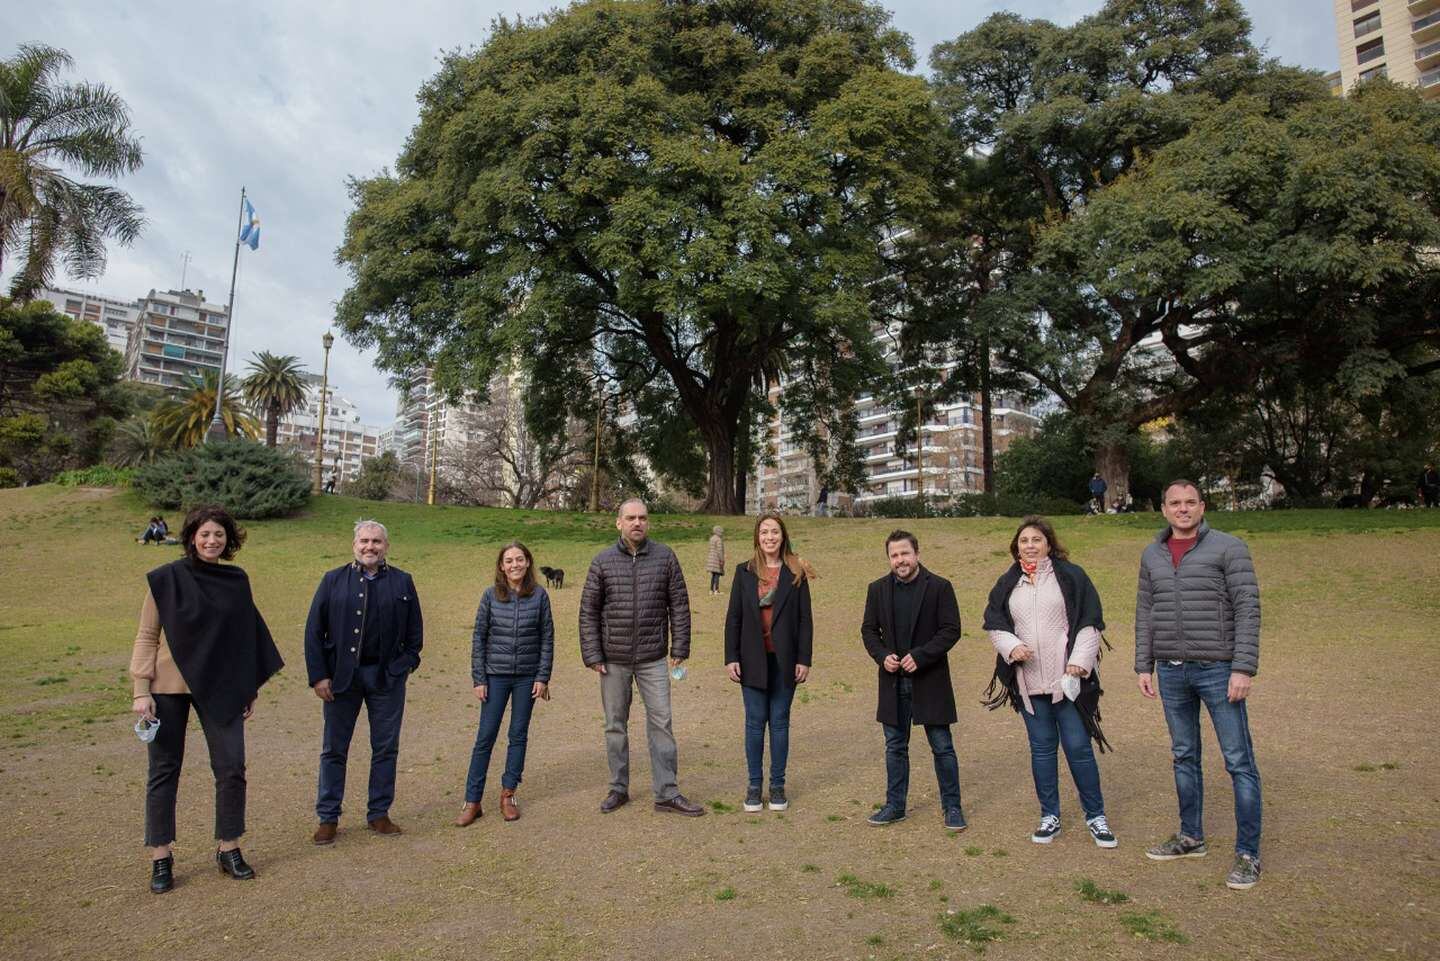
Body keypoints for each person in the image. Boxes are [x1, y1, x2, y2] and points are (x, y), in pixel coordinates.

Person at [129, 505, 284, 894]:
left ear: (228, 540)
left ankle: (228, 846)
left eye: (219, 534)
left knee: (231, 766)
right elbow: (147, 636)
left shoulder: (236, 580)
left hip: (222, 686)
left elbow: (243, 639)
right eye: (205, 534)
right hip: (168, 687)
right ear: (191, 537)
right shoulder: (166, 580)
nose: (212, 540)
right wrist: (140, 690)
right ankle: (161, 855)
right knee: (164, 770)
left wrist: (248, 686)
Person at [1136, 479, 1263, 891]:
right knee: (1183, 755)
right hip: (1172, 671)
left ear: (1203, 507)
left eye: (1191, 502)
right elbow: (1145, 612)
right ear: (1164, 509)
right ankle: (1191, 836)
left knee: (1238, 761)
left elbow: (1248, 609)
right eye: (1175, 503)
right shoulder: (1152, 554)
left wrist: (1242, 668)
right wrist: (1144, 665)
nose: (1183, 509)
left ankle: (1248, 854)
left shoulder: (1229, 547)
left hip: (1219, 670)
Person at [982, 516, 1117, 848]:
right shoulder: (1008, 582)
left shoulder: (1071, 577)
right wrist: (1012, 647)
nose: (1030, 545)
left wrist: (1078, 663)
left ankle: (1096, 816)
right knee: (1042, 751)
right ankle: (1050, 816)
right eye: (1024, 540)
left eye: (1036, 540)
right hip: (1028, 684)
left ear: (1049, 544)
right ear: (1017, 547)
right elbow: (995, 624)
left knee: (1079, 749)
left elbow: (1089, 622)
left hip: (1066, 682)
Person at [579, 498, 704, 817]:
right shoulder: (602, 561)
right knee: (615, 726)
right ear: (618, 523)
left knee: (661, 722)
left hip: (653, 658)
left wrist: (680, 648)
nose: (637, 523)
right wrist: (593, 654)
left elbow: (679, 604)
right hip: (613, 659)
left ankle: (667, 791)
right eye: (631, 518)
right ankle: (618, 788)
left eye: (643, 518)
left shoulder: (665, 557)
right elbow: (588, 611)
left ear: (648, 523)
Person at [304, 520, 423, 845]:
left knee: (385, 748)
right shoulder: (333, 581)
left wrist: (405, 665)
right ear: (354, 544)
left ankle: (379, 813)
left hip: (386, 679)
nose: (370, 547)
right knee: (334, 750)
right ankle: (328, 817)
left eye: (377, 542)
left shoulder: (402, 582)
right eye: (365, 541)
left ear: (386, 546)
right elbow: (314, 631)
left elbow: (415, 634)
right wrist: (319, 676)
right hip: (342, 680)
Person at [860, 530, 965, 831]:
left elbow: (951, 629)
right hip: (892, 681)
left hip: (929, 679)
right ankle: (895, 806)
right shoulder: (877, 589)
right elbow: (869, 631)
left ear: (917, 553)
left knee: (942, 746)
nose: (900, 560)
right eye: (894, 555)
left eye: (905, 553)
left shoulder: (940, 587)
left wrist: (922, 655)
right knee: (895, 746)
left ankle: (952, 807)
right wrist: (882, 656)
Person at [456, 542, 554, 826]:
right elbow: (479, 638)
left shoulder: (539, 596)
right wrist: (479, 679)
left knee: (518, 735)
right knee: (485, 737)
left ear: (528, 563)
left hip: (527, 677)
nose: (514, 565)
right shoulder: (490, 596)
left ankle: (508, 794)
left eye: (519, 559)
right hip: (494, 677)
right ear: (501, 566)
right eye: (509, 560)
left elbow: (547, 638)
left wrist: (542, 677)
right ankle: (472, 801)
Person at [723, 512, 814, 812]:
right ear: (757, 537)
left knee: (779, 723)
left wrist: (804, 659)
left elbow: (805, 620)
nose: (770, 538)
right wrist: (731, 657)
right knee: (753, 723)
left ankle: (777, 786)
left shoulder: (795, 572)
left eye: (774, 532)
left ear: (783, 535)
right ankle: (753, 786)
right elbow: (733, 617)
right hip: (751, 660)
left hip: (785, 660)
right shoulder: (744, 572)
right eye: (764, 533)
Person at [704, 526, 726, 596]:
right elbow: (719, 551)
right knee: (717, 575)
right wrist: (722, 560)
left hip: (711, 559)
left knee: (713, 575)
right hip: (716, 559)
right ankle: (716, 590)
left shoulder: (712, 538)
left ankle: (711, 590)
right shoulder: (719, 539)